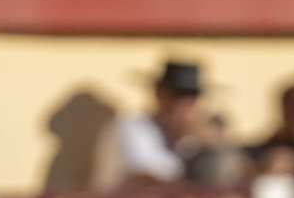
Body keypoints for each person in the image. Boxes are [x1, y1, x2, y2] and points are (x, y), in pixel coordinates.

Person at [92, 60, 241, 189]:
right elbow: (140, 178)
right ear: (159, 93)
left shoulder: (196, 138)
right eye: (177, 95)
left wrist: (210, 143)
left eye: (191, 96)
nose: (184, 104)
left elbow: (233, 174)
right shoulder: (130, 128)